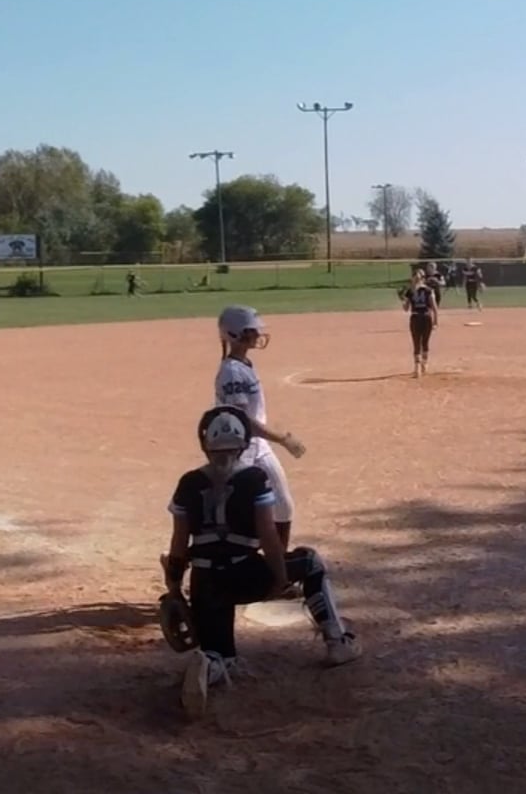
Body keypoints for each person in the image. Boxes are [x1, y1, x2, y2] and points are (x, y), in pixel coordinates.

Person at [164, 406, 361, 720]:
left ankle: (209, 665)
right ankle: (337, 640)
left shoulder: (188, 483)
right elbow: (268, 535)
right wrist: (280, 578)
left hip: (205, 581)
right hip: (245, 572)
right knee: (309, 561)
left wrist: (174, 586)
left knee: (221, 654)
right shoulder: (254, 478)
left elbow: (178, 543)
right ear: (243, 443)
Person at [213, 306, 306, 552]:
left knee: (283, 506)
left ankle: (278, 565)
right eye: (251, 330)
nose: (257, 334)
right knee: (240, 513)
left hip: (259, 447)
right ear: (235, 334)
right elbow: (242, 420)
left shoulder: (243, 365)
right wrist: (283, 438)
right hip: (239, 451)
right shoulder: (232, 372)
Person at [401, 269, 440, 376]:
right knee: (425, 342)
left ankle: (417, 367)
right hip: (426, 317)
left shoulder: (410, 291)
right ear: (423, 278)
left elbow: (406, 309)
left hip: (415, 317)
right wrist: (436, 322)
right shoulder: (429, 290)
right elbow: (434, 308)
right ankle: (424, 364)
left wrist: (403, 300)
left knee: (416, 342)